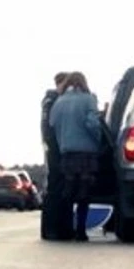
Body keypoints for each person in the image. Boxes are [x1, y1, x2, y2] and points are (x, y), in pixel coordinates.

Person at [46, 72, 108, 241]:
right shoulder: (88, 99)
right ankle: (81, 230)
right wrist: (98, 141)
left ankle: (66, 227)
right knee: (84, 192)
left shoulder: (59, 102)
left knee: (68, 191)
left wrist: (63, 141)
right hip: (86, 152)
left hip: (66, 152)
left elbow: (52, 124)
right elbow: (92, 123)